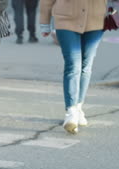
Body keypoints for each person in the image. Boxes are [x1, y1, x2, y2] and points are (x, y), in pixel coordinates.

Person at [39, 0, 107, 134]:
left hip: (95, 20)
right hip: (66, 20)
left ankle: (78, 107)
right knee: (73, 64)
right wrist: (44, 22)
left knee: (86, 66)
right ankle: (71, 111)